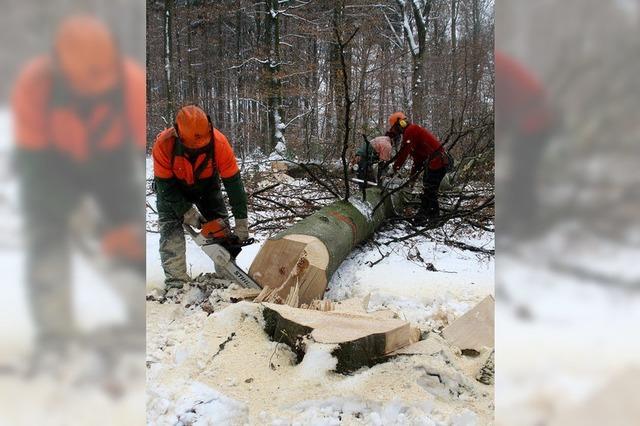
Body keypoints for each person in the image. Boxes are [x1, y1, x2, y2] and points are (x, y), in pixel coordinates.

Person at [11, 15, 146, 358]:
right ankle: (54, 335)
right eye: (88, 78)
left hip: (110, 162)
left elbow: (133, 162)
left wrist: (122, 223)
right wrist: (72, 211)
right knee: (47, 238)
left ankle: (137, 311)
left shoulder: (130, 83)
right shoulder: (33, 86)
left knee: (126, 236)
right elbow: (35, 168)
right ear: (62, 69)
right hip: (48, 164)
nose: (97, 84)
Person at [152, 104, 249, 289]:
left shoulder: (219, 144)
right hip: (172, 190)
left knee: (220, 229)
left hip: (207, 188)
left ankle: (226, 275)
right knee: (170, 232)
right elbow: (165, 187)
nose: (196, 149)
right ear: (178, 135)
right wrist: (186, 212)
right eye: (192, 146)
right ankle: (176, 283)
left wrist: (242, 221)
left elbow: (234, 184)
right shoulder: (163, 145)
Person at [388, 112, 451, 224]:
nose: (396, 132)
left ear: (400, 124)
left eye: (395, 128)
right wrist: (412, 179)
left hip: (438, 162)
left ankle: (432, 217)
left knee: (430, 190)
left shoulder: (411, 130)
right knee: (428, 189)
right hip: (433, 163)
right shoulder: (412, 132)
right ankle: (424, 216)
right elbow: (418, 160)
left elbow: (404, 152)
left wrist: (394, 168)